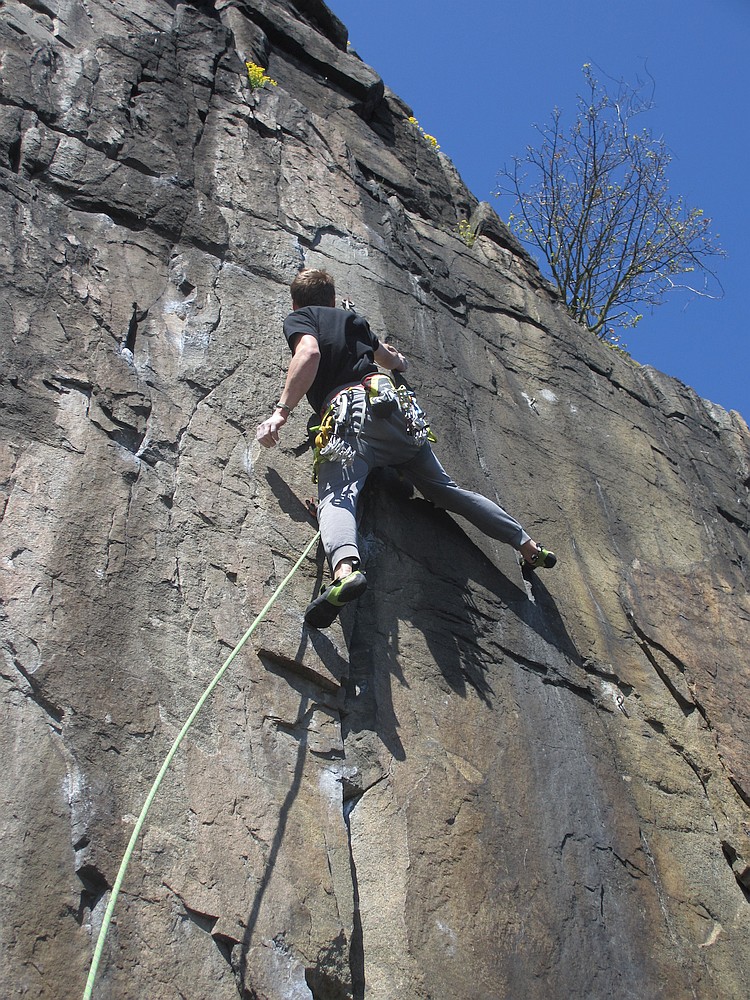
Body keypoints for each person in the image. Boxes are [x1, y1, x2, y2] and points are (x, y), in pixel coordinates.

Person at [256, 268, 556, 628]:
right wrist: (399, 361)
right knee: (448, 491)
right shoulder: (355, 320)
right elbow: (392, 360)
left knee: (337, 496)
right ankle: (527, 546)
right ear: (333, 299)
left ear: (295, 303)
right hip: (396, 413)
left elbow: (309, 353)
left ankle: (345, 572)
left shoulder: (301, 317)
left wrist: (281, 412)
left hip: (348, 416)